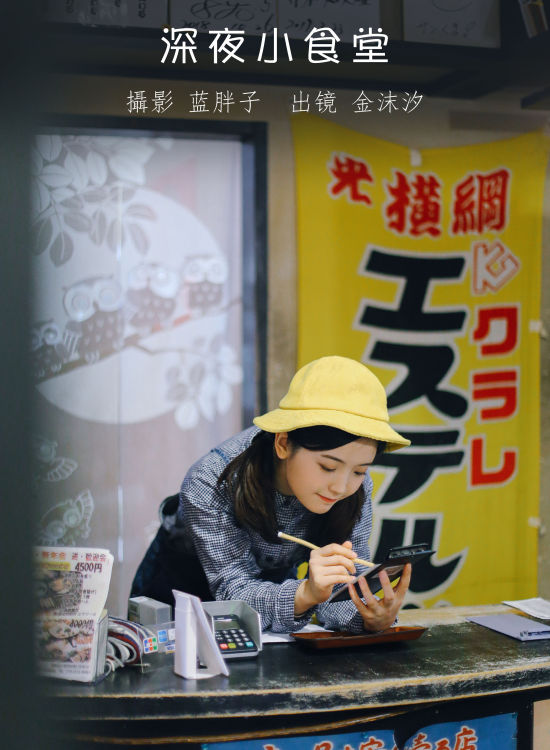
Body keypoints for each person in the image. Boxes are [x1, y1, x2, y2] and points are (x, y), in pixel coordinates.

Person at [131, 356, 412, 633]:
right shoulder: (212, 480)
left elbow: (342, 588)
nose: (341, 487)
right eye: (327, 467)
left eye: (360, 470)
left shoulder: (355, 488)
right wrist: (304, 594)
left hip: (275, 601)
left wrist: (369, 617)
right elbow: (233, 589)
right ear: (283, 443)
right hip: (178, 597)